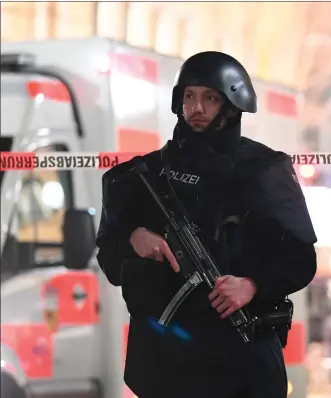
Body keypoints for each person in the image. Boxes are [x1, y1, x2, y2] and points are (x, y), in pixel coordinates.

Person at [96, 51, 317, 398]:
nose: (196, 108)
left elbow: (301, 260)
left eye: (210, 98)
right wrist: (132, 239)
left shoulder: (265, 171)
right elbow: (109, 259)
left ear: (231, 105)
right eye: (189, 96)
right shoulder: (143, 177)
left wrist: (252, 285)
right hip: (165, 368)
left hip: (242, 365)